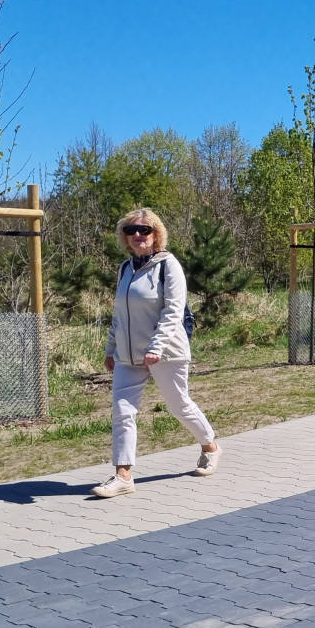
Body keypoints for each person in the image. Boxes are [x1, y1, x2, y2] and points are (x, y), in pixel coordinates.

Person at [94, 208, 222, 498]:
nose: (137, 235)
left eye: (144, 230)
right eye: (131, 231)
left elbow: (173, 312)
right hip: (128, 354)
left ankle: (210, 447)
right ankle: (123, 475)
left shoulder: (168, 265)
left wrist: (156, 347)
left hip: (166, 352)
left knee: (179, 405)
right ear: (124, 237)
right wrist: (111, 348)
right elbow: (119, 314)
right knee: (122, 412)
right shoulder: (125, 268)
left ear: (156, 234)